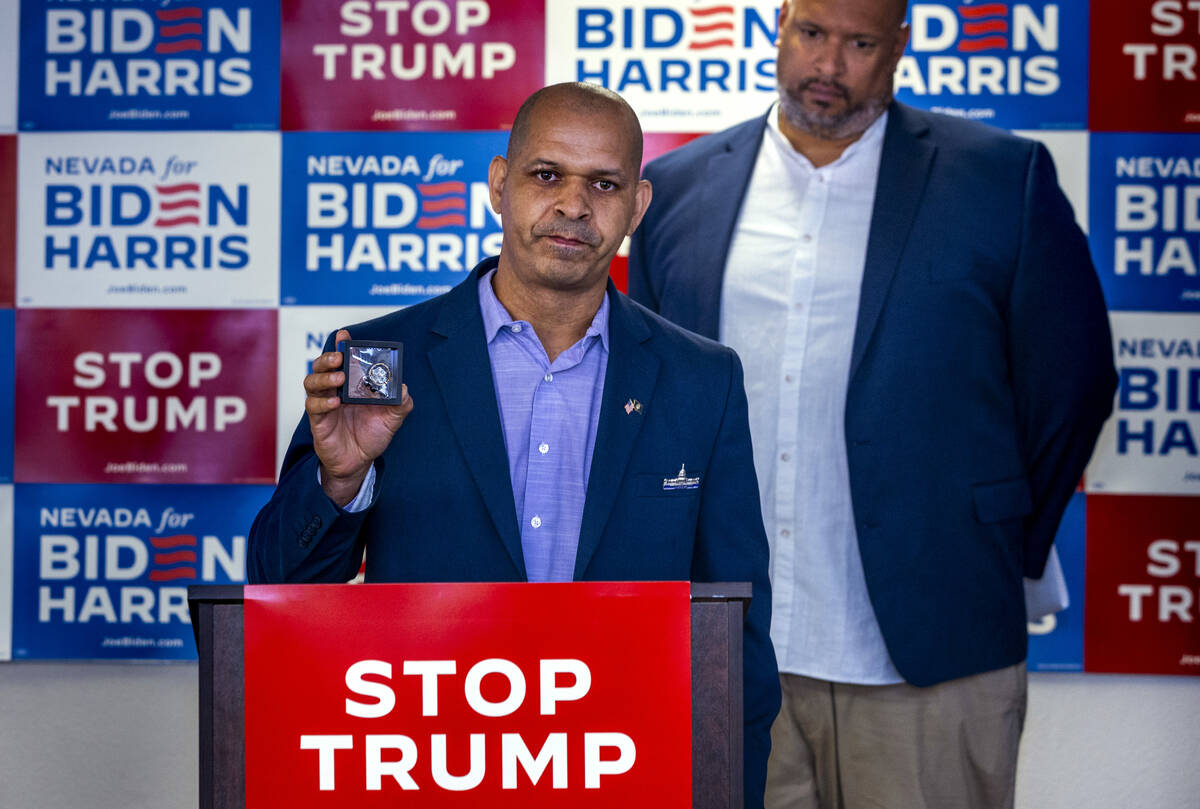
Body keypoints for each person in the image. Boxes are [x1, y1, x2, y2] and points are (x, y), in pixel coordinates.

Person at [627, 1, 1117, 807]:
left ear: (899, 45)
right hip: (731, 651)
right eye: (812, 34)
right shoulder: (677, 189)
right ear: (779, 26)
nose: (830, 65)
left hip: (932, 645)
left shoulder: (1000, 178)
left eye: (859, 43)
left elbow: (1071, 386)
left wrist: (989, 541)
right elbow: (654, 404)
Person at [248, 82, 780, 807]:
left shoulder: (701, 379)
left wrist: (729, 787)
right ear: (500, 185)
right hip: (433, 769)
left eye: (603, 183)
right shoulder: (385, 358)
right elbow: (278, 588)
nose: (573, 205)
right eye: (545, 175)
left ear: (638, 206)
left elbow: (736, 628)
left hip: (628, 769)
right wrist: (341, 483)